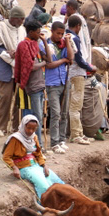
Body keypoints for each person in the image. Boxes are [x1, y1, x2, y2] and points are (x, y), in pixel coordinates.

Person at [3, 115, 65, 197]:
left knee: (58, 183)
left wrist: (44, 166)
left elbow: (38, 154)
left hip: (36, 165)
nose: (31, 131)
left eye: (34, 129)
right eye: (28, 128)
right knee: (44, 187)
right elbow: (6, 157)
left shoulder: (34, 137)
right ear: (23, 126)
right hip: (24, 168)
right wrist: (14, 168)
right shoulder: (15, 138)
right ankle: (44, 208)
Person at [0, 6, 26, 136]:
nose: (22, 22)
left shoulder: (21, 29)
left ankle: (16, 127)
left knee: (19, 100)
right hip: (4, 67)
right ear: (13, 18)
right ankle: (1, 127)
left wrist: (18, 53)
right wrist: (6, 53)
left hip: (18, 67)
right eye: (20, 20)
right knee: (6, 98)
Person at [14, 19, 51, 147]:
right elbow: (30, 67)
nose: (39, 34)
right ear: (30, 32)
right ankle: (37, 145)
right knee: (36, 118)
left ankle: (36, 144)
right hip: (33, 86)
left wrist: (45, 41)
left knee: (38, 117)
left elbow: (49, 59)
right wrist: (44, 63)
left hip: (40, 85)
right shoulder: (24, 45)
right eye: (38, 32)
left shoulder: (35, 45)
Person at [43, 21, 75, 154]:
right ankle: (54, 142)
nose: (60, 36)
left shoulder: (63, 44)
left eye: (62, 34)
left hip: (64, 81)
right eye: (58, 33)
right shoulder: (45, 44)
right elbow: (49, 64)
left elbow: (71, 57)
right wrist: (63, 60)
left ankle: (62, 140)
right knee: (55, 113)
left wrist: (67, 41)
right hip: (52, 83)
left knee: (64, 112)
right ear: (52, 31)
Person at [67, 15, 97, 145]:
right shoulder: (74, 38)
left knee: (75, 105)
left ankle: (79, 133)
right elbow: (78, 59)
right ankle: (75, 135)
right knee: (75, 106)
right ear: (78, 26)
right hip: (77, 74)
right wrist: (89, 67)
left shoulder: (66, 37)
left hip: (71, 74)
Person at [65, 0, 91, 65]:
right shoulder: (81, 18)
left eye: (66, 9)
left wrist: (64, 22)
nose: (66, 11)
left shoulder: (72, 19)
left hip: (78, 53)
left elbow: (65, 33)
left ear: (70, 8)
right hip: (85, 52)